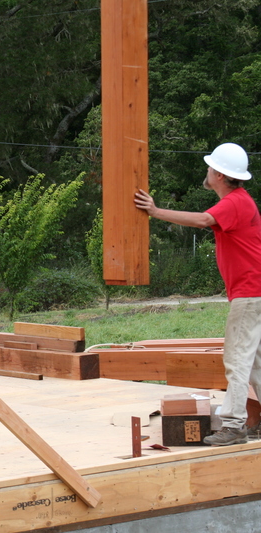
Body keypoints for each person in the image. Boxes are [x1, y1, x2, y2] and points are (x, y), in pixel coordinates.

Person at [135, 142, 261, 446]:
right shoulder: (240, 201)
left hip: (250, 292)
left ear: (219, 175)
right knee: (256, 363)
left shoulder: (235, 202)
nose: (207, 170)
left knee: (237, 360)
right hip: (254, 292)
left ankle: (234, 426)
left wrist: (155, 211)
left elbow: (203, 220)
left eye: (210, 167)